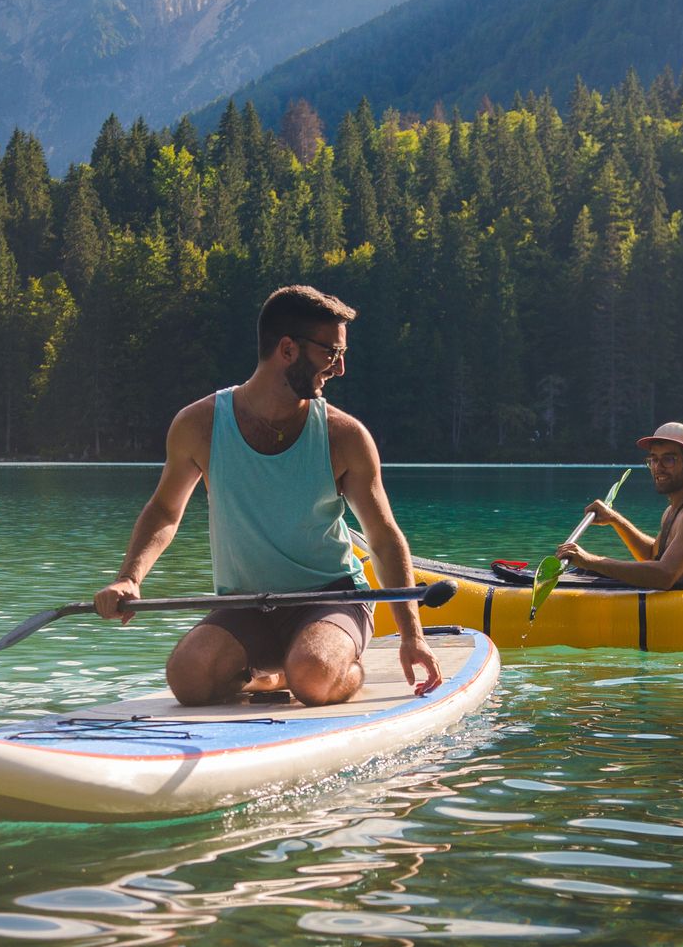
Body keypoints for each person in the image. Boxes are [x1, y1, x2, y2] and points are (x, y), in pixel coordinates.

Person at [93, 285, 441, 706]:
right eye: (331, 353)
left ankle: (335, 670)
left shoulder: (343, 436)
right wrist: (130, 577)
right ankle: (274, 676)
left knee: (312, 673)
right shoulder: (198, 425)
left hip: (332, 597)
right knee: (188, 679)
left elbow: (383, 537)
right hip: (247, 603)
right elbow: (166, 510)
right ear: (288, 349)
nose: (341, 367)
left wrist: (412, 636)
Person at [556, 422, 683, 589]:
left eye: (668, 459)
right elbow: (651, 556)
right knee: (584, 571)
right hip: (674, 608)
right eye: (654, 459)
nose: (658, 467)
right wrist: (615, 519)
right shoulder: (674, 510)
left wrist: (591, 561)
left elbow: (664, 576)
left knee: (589, 568)